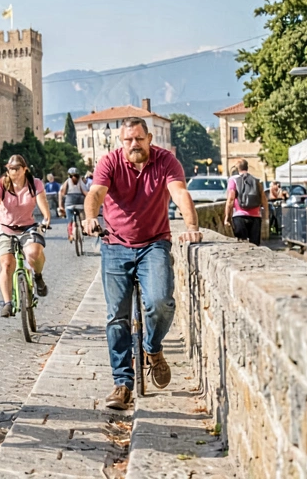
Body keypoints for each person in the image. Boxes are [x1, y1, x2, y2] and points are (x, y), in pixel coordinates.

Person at [84, 117, 202, 411]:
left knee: (161, 302)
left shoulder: (165, 161)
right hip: (115, 245)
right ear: (121, 142)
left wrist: (191, 224)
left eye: (139, 139)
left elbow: (178, 192)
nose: (134, 145)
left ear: (149, 138)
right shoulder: (109, 162)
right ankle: (122, 385)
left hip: (154, 243)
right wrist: (90, 217)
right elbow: (96, 193)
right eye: (128, 140)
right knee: (116, 317)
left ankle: (152, 348)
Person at [0, 154, 53, 317]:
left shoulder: (34, 184)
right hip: (5, 228)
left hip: (28, 227)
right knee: (7, 264)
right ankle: (7, 303)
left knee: (34, 253)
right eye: (9, 169)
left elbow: (43, 203)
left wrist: (46, 219)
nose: (12, 172)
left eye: (16, 169)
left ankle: (37, 276)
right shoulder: (2, 184)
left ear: (24, 170)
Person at [225, 159, 265, 245]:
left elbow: (231, 199)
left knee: (241, 244)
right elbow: (263, 198)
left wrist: (227, 217)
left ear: (237, 169)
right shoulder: (256, 180)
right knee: (255, 246)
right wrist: (266, 217)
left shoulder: (233, 180)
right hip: (255, 216)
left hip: (239, 215)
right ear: (247, 167)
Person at [59, 167, 90, 242]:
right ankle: (83, 230)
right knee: (83, 217)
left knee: (70, 220)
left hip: (69, 203)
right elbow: (85, 193)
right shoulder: (80, 182)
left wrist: (60, 206)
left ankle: (71, 234)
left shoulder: (67, 182)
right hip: (80, 203)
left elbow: (61, 193)